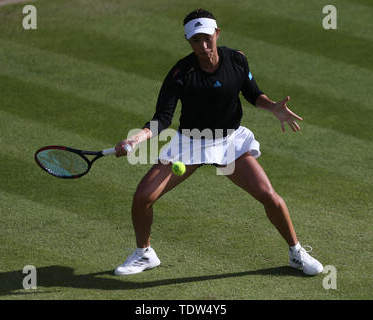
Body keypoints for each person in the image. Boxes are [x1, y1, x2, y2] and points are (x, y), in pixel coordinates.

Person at [113, 9, 323, 276]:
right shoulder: (180, 73)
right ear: (188, 41)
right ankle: (144, 254)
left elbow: (252, 93)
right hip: (191, 142)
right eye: (195, 40)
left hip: (229, 141)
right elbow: (162, 118)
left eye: (206, 38)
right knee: (143, 197)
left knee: (270, 197)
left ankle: (296, 253)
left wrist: (272, 107)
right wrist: (136, 139)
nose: (202, 46)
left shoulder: (237, 60)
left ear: (217, 33)